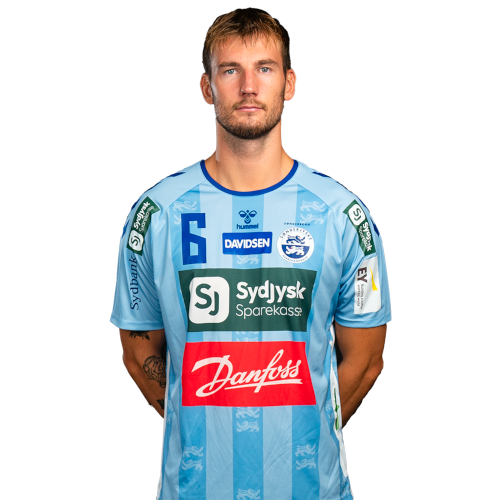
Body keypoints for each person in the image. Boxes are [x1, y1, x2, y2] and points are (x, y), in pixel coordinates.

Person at [110, 7, 391, 500]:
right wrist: (197, 427)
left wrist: (300, 434)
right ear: (206, 88)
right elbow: (138, 352)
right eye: (230, 70)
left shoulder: (342, 215)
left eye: (264, 68)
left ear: (289, 84)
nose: (247, 87)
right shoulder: (156, 214)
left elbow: (366, 361)